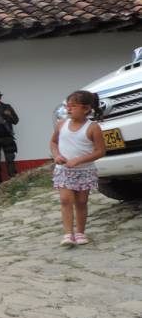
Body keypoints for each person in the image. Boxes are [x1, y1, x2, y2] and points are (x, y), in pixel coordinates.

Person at [50, 90, 106, 247]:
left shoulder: (93, 127)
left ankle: (80, 232)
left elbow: (100, 151)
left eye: (73, 106)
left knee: (81, 202)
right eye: (67, 106)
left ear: (86, 109)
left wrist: (79, 160)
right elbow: (54, 142)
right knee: (65, 200)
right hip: (64, 171)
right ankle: (68, 234)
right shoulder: (61, 124)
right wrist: (56, 156)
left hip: (85, 172)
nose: (68, 109)